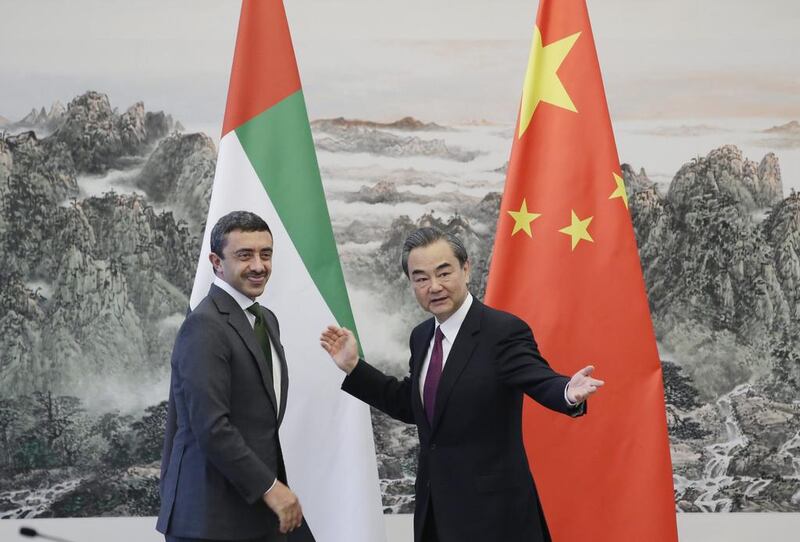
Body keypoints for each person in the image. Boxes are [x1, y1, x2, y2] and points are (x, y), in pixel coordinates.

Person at [320, 227, 603, 542]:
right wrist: (354, 367)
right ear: (411, 283)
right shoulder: (422, 336)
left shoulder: (502, 331)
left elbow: (538, 378)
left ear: (466, 268)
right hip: (436, 515)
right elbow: (412, 405)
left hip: (494, 517)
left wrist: (567, 391)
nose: (435, 287)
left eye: (444, 273)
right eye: (421, 278)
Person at [158, 211, 304, 542]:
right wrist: (271, 488)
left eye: (265, 254)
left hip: (253, 517)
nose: (258, 265)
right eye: (244, 255)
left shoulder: (265, 319)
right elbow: (211, 426)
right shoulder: (204, 326)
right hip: (210, 520)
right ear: (216, 262)